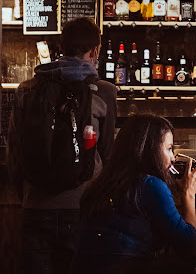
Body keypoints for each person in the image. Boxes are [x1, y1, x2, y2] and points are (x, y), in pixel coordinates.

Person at [7, 17, 117, 274]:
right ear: (96, 51)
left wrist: (27, 195)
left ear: (60, 47)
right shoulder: (104, 91)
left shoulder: (26, 89)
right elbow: (108, 153)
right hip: (83, 206)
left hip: (36, 206)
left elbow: (14, 151)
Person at [70, 114, 196, 274]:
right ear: (150, 149)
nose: (173, 158)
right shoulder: (150, 185)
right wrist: (189, 194)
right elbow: (187, 245)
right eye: (169, 148)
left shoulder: (101, 183)